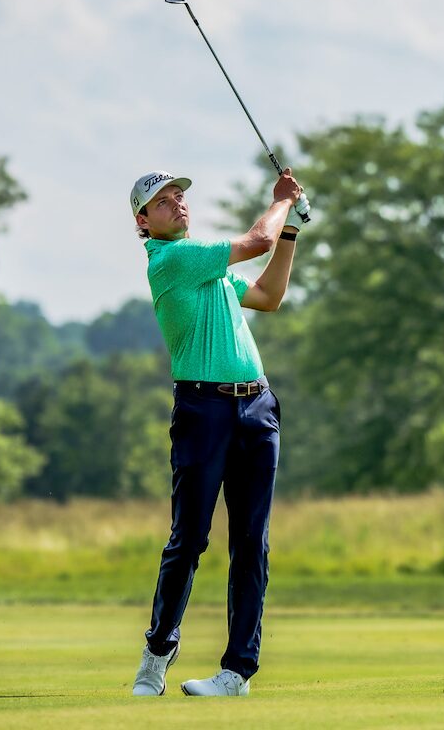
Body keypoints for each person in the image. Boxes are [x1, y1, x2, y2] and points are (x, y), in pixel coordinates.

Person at [128, 168, 306, 697]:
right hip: (203, 410)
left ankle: (237, 672)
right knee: (190, 540)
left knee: (252, 542)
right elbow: (255, 241)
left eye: (179, 197)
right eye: (163, 202)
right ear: (143, 221)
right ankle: (156, 655)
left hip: (257, 406)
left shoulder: (212, 273)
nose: (177, 204)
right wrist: (281, 202)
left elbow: (270, 296)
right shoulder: (173, 261)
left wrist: (290, 229)